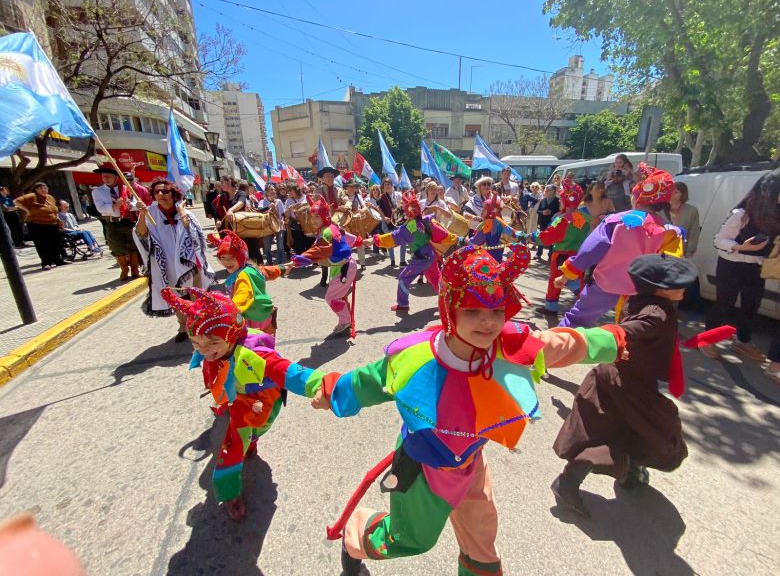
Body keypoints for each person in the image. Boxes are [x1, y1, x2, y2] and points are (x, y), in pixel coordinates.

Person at [258, 244, 626, 575]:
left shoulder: (510, 347)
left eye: (497, 310)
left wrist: (618, 339)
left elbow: (565, 344)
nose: (489, 321)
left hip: (472, 465)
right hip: (424, 473)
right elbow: (356, 384)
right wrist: (308, 383)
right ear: (450, 309)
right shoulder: (413, 359)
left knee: (482, 548)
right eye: (473, 311)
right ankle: (357, 535)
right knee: (409, 541)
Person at [551, 254, 699, 517]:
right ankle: (569, 482)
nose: (684, 288)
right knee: (649, 431)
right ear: (659, 290)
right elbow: (632, 329)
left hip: (621, 377)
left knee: (621, 428)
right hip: (627, 384)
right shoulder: (657, 313)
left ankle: (630, 471)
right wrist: (609, 337)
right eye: (678, 284)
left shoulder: (645, 301)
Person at [160, 287, 284, 521]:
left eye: (211, 343)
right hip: (235, 404)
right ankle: (230, 493)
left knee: (260, 426)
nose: (203, 350)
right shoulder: (211, 351)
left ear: (232, 335)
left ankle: (253, 438)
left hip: (261, 398)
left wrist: (319, 384)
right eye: (195, 343)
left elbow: (288, 373)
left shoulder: (256, 350)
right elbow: (213, 371)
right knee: (232, 448)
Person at [554, 163, 683, 328]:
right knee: (631, 331)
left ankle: (552, 351)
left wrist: (566, 275)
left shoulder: (615, 221)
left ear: (637, 198)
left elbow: (590, 250)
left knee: (575, 320)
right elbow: (671, 267)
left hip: (607, 283)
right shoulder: (671, 232)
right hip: (641, 292)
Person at [701, 170, 780, 361]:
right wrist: (739, 246)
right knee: (724, 305)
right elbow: (719, 240)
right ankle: (706, 340)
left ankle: (742, 341)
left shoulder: (775, 216)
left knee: (751, 306)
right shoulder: (742, 214)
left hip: (756, 266)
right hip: (731, 265)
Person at [133, 179, 215, 342]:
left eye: (165, 191)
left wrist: (183, 214)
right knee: (176, 298)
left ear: (173, 193)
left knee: (195, 296)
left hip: (189, 264)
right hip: (166, 265)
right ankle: (184, 326)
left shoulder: (184, 211)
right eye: (157, 192)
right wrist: (142, 215)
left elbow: (196, 238)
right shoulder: (149, 213)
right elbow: (141, 234)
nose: (161, 194)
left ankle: (200, 324)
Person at [286, 196, 364, 335]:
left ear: (324, 216)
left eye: (316, 217)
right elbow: (346, 237)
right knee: (339, 297)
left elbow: (316, 251)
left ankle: (345, 321)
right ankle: (348, 321)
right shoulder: (331, 227)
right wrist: (359, 242)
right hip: (342, 266)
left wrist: (297, 261)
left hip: (344, 268)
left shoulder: (326, 232)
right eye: (312, 217)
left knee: (331, 298)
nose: (313, 220)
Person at [373, 190, 457, 313]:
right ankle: (450, 301)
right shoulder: (428, 220)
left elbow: (393, 237)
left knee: (403, 278)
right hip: (431, 255)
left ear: (408, 212)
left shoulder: (410, 228)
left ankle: (403, 304)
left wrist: (375, 240)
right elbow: (443, 234)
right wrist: (456, 238)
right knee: (436, 279)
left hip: (421, 258)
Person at [207, 230, 286, 333]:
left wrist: (228, 312)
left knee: (257, 347)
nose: (226, 261)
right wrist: (282, 268)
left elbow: (243, 295)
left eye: (232, 257)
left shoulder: (242, 276)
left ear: (242, 256)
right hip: (265, 317)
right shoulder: (249, 268)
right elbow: (267, 271)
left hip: (255, 322)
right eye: (223, 257)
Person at [531, 178, 590, 315]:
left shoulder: (563, 220)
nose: (559, 202)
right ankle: (556, 306)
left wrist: (532, 237)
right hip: (578, 255)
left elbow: (546, 238)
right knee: (570, 279)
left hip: (561, 256)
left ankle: (585, 304)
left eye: (561, 199)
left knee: (566, 281)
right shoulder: (585, 217)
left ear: (566, 201)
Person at [90, 166, 142, 280]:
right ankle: (124, 269)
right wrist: (114, 206)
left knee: (133, 246)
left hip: (127, 221)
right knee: (117, 247)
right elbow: (100, 208)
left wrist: (131, 206)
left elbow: (133, 204)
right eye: (104, 176)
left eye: (109, 176)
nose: (106, 178)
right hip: (112, 222)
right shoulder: (97, 191)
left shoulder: (125, 188)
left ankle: (135, 270)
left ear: (116, 177)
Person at [14, 182, 67, 270]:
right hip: (37, 224)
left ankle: (58, 260)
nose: (43, 190)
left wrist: (58, 219)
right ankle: (46, 262)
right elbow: (16, 201)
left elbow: (54, 210)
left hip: (52, 223)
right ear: (36, 190)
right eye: (40, 188)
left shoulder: (50, 197)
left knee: (56, 242)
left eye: (44, 188)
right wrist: (27, 210)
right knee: (42, 244)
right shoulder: (31, 196)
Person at [216, 176, 263, 265]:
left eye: (223, 182)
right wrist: (218, 221)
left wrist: (230, 210)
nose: (221, 185)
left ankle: (258, 270)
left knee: (252, 250)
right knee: (236, 252)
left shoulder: (241, 193)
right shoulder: (222, 197)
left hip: (244, 227)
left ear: (229, 182)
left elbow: (241, 203)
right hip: (231, 230)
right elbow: (218, 214)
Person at [469, 190, 525, 263]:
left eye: (485, 209)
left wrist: (463, 241)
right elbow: (512, 232)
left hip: (488, 261)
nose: (482, 211)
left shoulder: (487, 225)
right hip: (498, 260)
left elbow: (475, 241)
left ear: (490, 211)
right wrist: (525, 236)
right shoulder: (499, 221)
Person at [343, 177, 368, 271]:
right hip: (346, 223)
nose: (351, 189)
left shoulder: (358, 196)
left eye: (353, 187)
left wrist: (360, 210)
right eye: (350, 187)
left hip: (357, 221)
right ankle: (348, 263)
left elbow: (365, 208)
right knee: (346, 244)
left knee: (360, 242)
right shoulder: (343, 197)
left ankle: (362, 262)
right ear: (346, 188)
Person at [669, 182, 700, 257]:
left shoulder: (691, 211)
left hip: (681, 253)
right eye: (670, 191)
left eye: (676, 192)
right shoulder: (661, 210)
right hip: (661, 253)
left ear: (683, 194)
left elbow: (693, 233)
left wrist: (689, 252)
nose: (672, 194)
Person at [258, 185, 286, 265]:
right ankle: (269, 263)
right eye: (270, 190)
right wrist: (268, 207)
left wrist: (275, 209)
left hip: (279, 226)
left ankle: (280, 264)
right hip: (267, 228)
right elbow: (259, 211)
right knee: (267, 247)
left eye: (274, 189)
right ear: (266, 192)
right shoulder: (262, 202)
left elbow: (282, 215)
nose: (273, 191)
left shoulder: (279, 201)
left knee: (280, 246)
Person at [535, 184, 560, 261]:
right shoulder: (543, 200)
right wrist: (542, 212)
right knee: (541, 237)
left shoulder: (557, 201)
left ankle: (550, 255)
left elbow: (560, 211)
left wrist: (551, 212)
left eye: (548, 190)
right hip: (543, 222)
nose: (546, 191)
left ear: (553, 191)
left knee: (552, 238)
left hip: (553, 222)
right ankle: (539, 253)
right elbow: (537, 210)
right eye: (546, 190)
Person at [378, 179, 399, 267]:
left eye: (389, 184)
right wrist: (384, 217)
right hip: (387, 222)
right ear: (383, 187)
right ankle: (392, 261)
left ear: (391, 185)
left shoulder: (396, 195)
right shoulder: (382, 197)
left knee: (401, 239)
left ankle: (402, 260)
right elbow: (379, 209)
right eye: (385, 184)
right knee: (390, 241)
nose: (387, 186)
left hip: (396, 221)